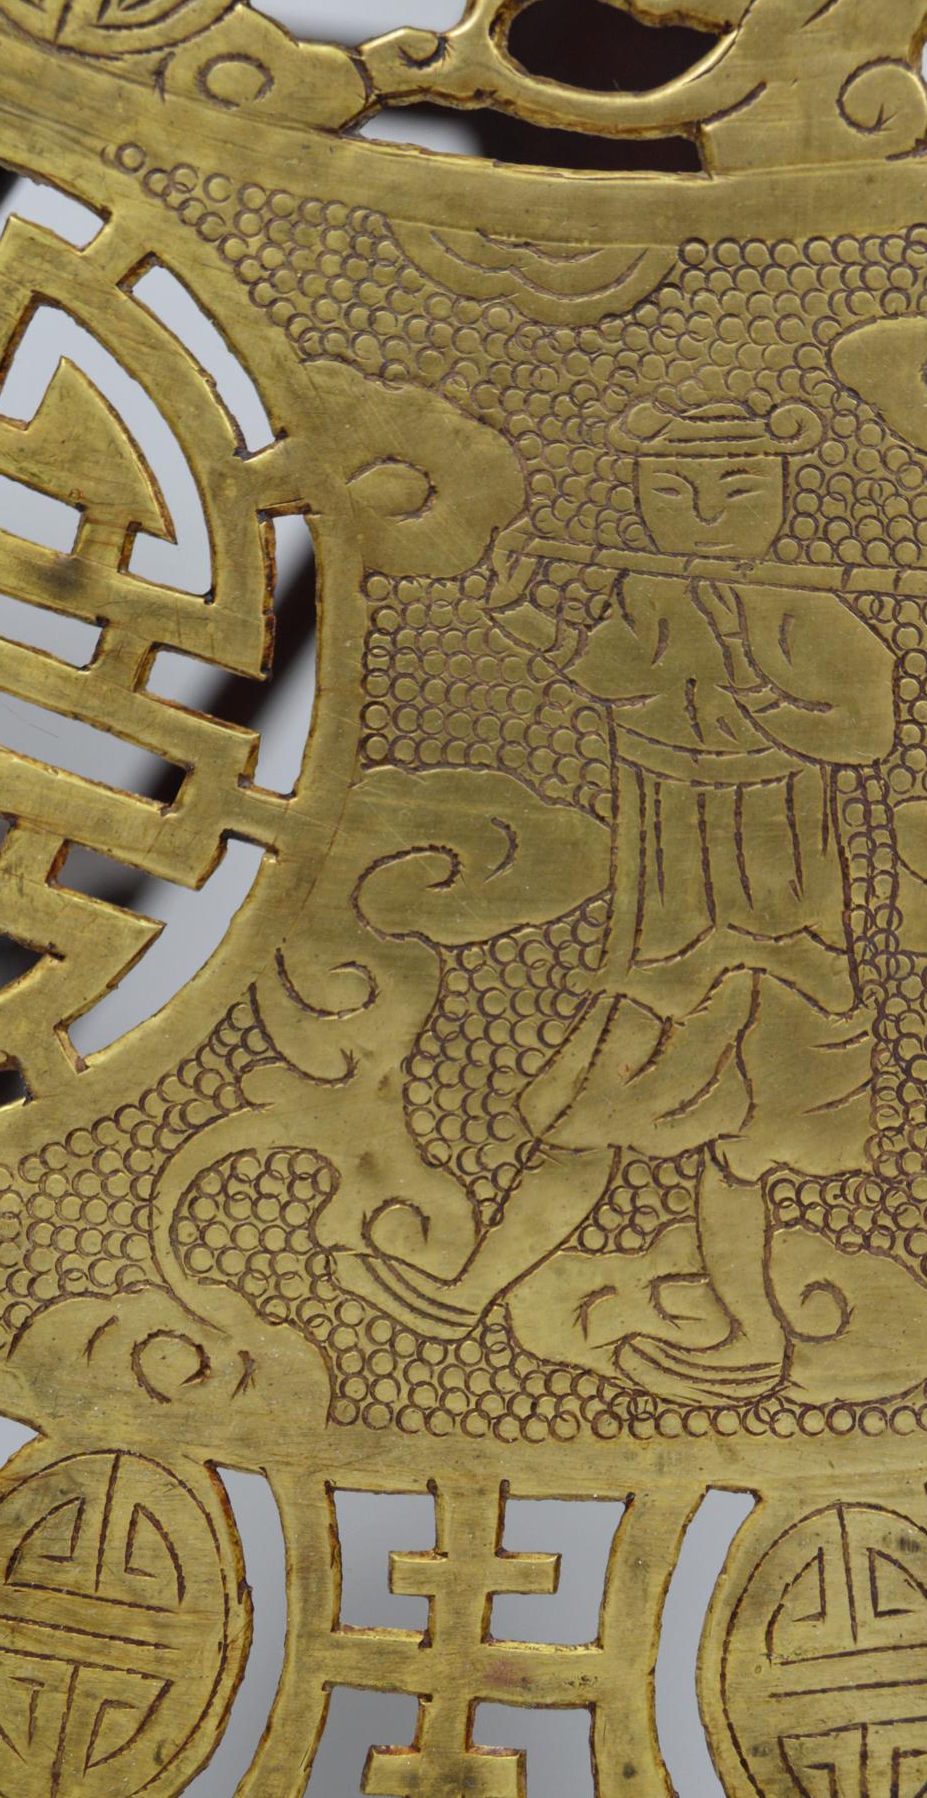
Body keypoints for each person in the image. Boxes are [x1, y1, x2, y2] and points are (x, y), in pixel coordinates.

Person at [349, 394, 898, 1402]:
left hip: (778, 924)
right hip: (664, 922)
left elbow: (863, 730)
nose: (703, 514)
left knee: (741, 1140)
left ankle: (750, 1338)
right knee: (589, 1115)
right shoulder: (652, 601)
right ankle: (471, 1292)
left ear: (775, 495)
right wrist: (520, 609)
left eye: (734, 491)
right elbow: (606, 677)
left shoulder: (810, 610)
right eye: (676, 492)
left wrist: (756, 681)